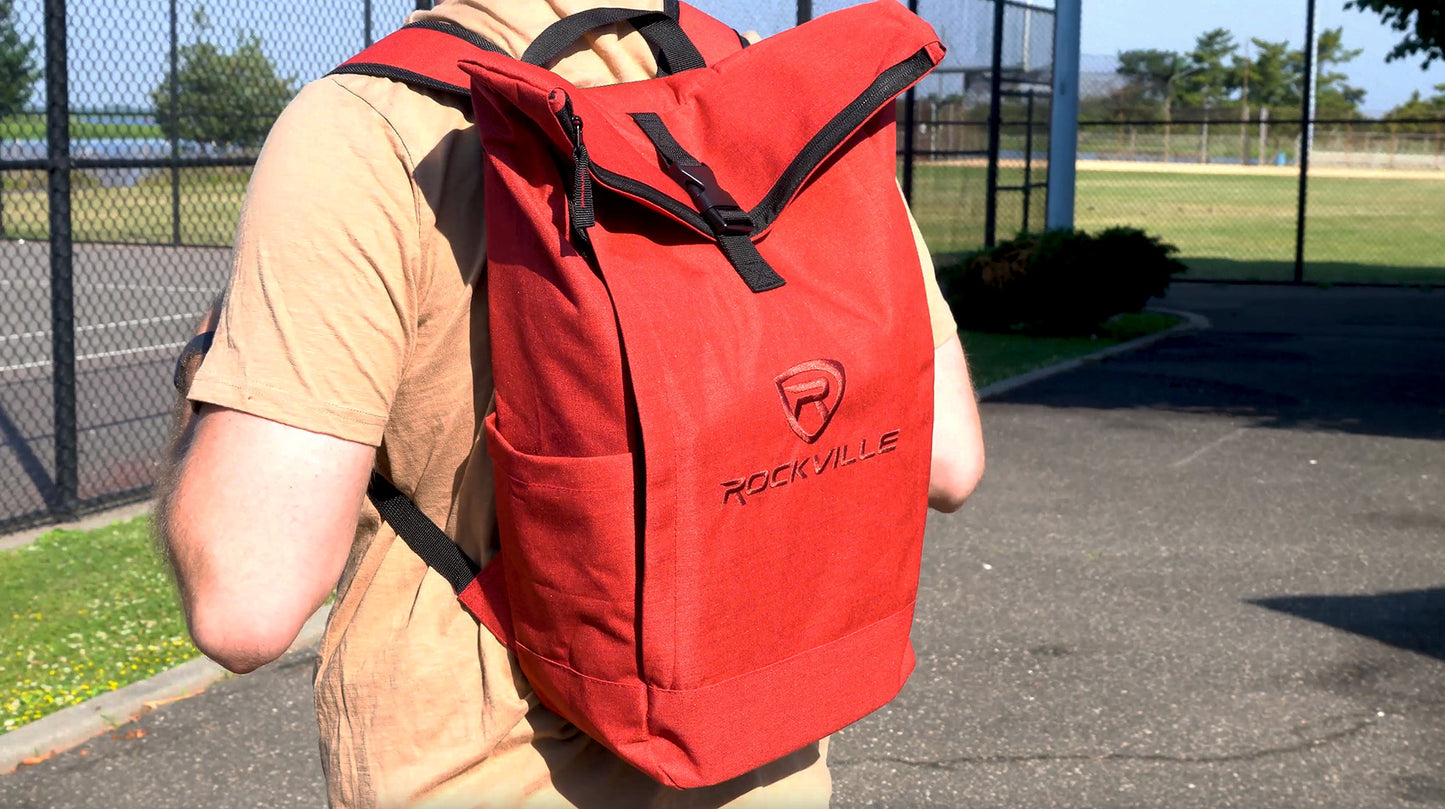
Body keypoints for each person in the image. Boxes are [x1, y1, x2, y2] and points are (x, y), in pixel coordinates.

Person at [158, 1, 986, 806]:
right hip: (760, 747)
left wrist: (209, 365)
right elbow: (948, 459)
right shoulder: (775, 82)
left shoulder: (372, 126)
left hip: (480, 767)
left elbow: (247, 600)